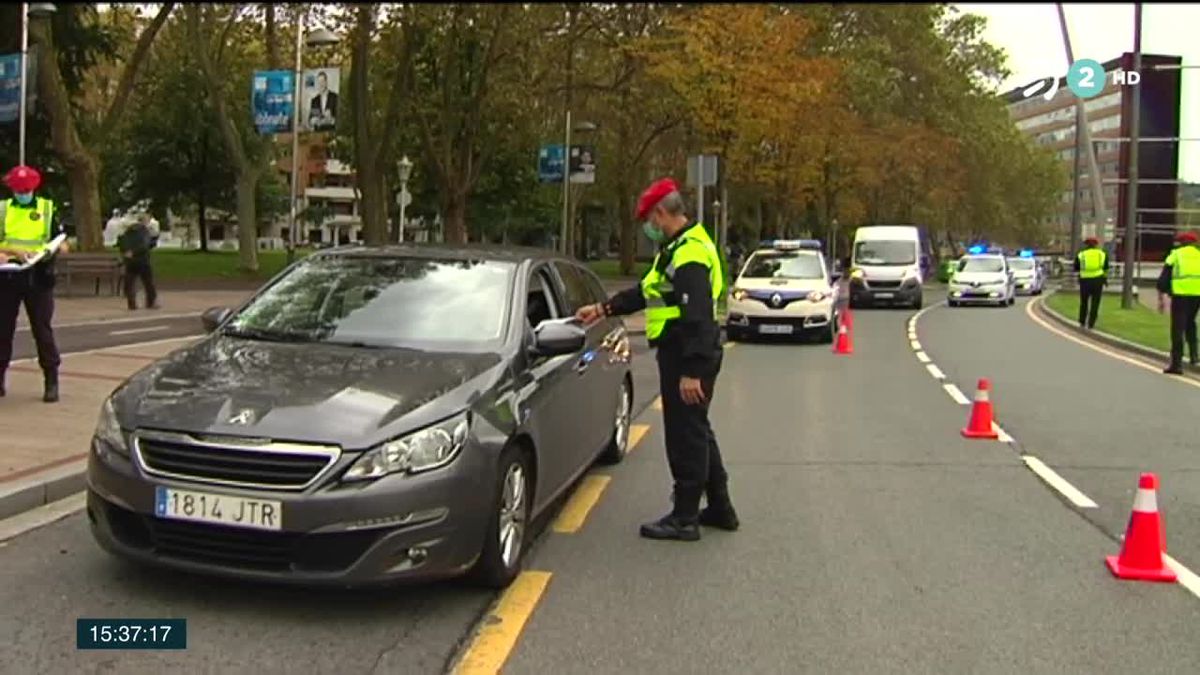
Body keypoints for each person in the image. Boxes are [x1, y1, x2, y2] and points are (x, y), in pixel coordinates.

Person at [575, 178, 736, 542]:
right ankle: (720, 508)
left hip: (687, 352)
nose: (648, 227)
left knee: (684, 436)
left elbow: (695, 312)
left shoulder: (689, 252)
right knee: (698, 430)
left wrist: (692, 370)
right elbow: (647, 291)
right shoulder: (677, 247)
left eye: (649, 218)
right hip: (686, 349)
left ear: (661, 213)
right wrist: (603, 309)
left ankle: (684, 518)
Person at [0, 165, 67, 402]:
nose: (22, 193)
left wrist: (54, 249)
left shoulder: (46, 209)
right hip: (8, 275)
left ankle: (51, 380)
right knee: (3, 330)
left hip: (38, 275)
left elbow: (57, 239)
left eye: (25, 189)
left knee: (42, 330)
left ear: (34, 188)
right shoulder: (3, 209)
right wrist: (8, 251)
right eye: (18, 189)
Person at [1156, 231, 1200, 375]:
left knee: (1178, 328)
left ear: (1181, 242)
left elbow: (1165, 275)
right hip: (1197, 295)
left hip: (1180, 295)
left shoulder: (1175, 255)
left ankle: (1177, 364)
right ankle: (1194, 356)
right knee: (1191, 324)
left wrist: (1162, 294)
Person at [118, 213, 159, 310]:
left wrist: (126, 251)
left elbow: (121, 242)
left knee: (130, 282)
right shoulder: (145, 231)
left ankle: (131, 303)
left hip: (130, 261)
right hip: (142, 260)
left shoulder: (128, 230)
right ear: (145, 221)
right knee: (148, 282)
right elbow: (145, 245)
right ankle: (150, 302)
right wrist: (135, 251)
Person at [1073, 236, 1108, 329]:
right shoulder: (1102, 254)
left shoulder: (1081, 255)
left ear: (1086, 244)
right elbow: (1105, 268)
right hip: (1098, 280)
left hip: (1085, 280)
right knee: (1095, 303)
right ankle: (1091, 324)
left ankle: (1082, 321)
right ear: (1096, 244)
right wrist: (1105, 279)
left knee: (1084, 302)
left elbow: (1076, 268)